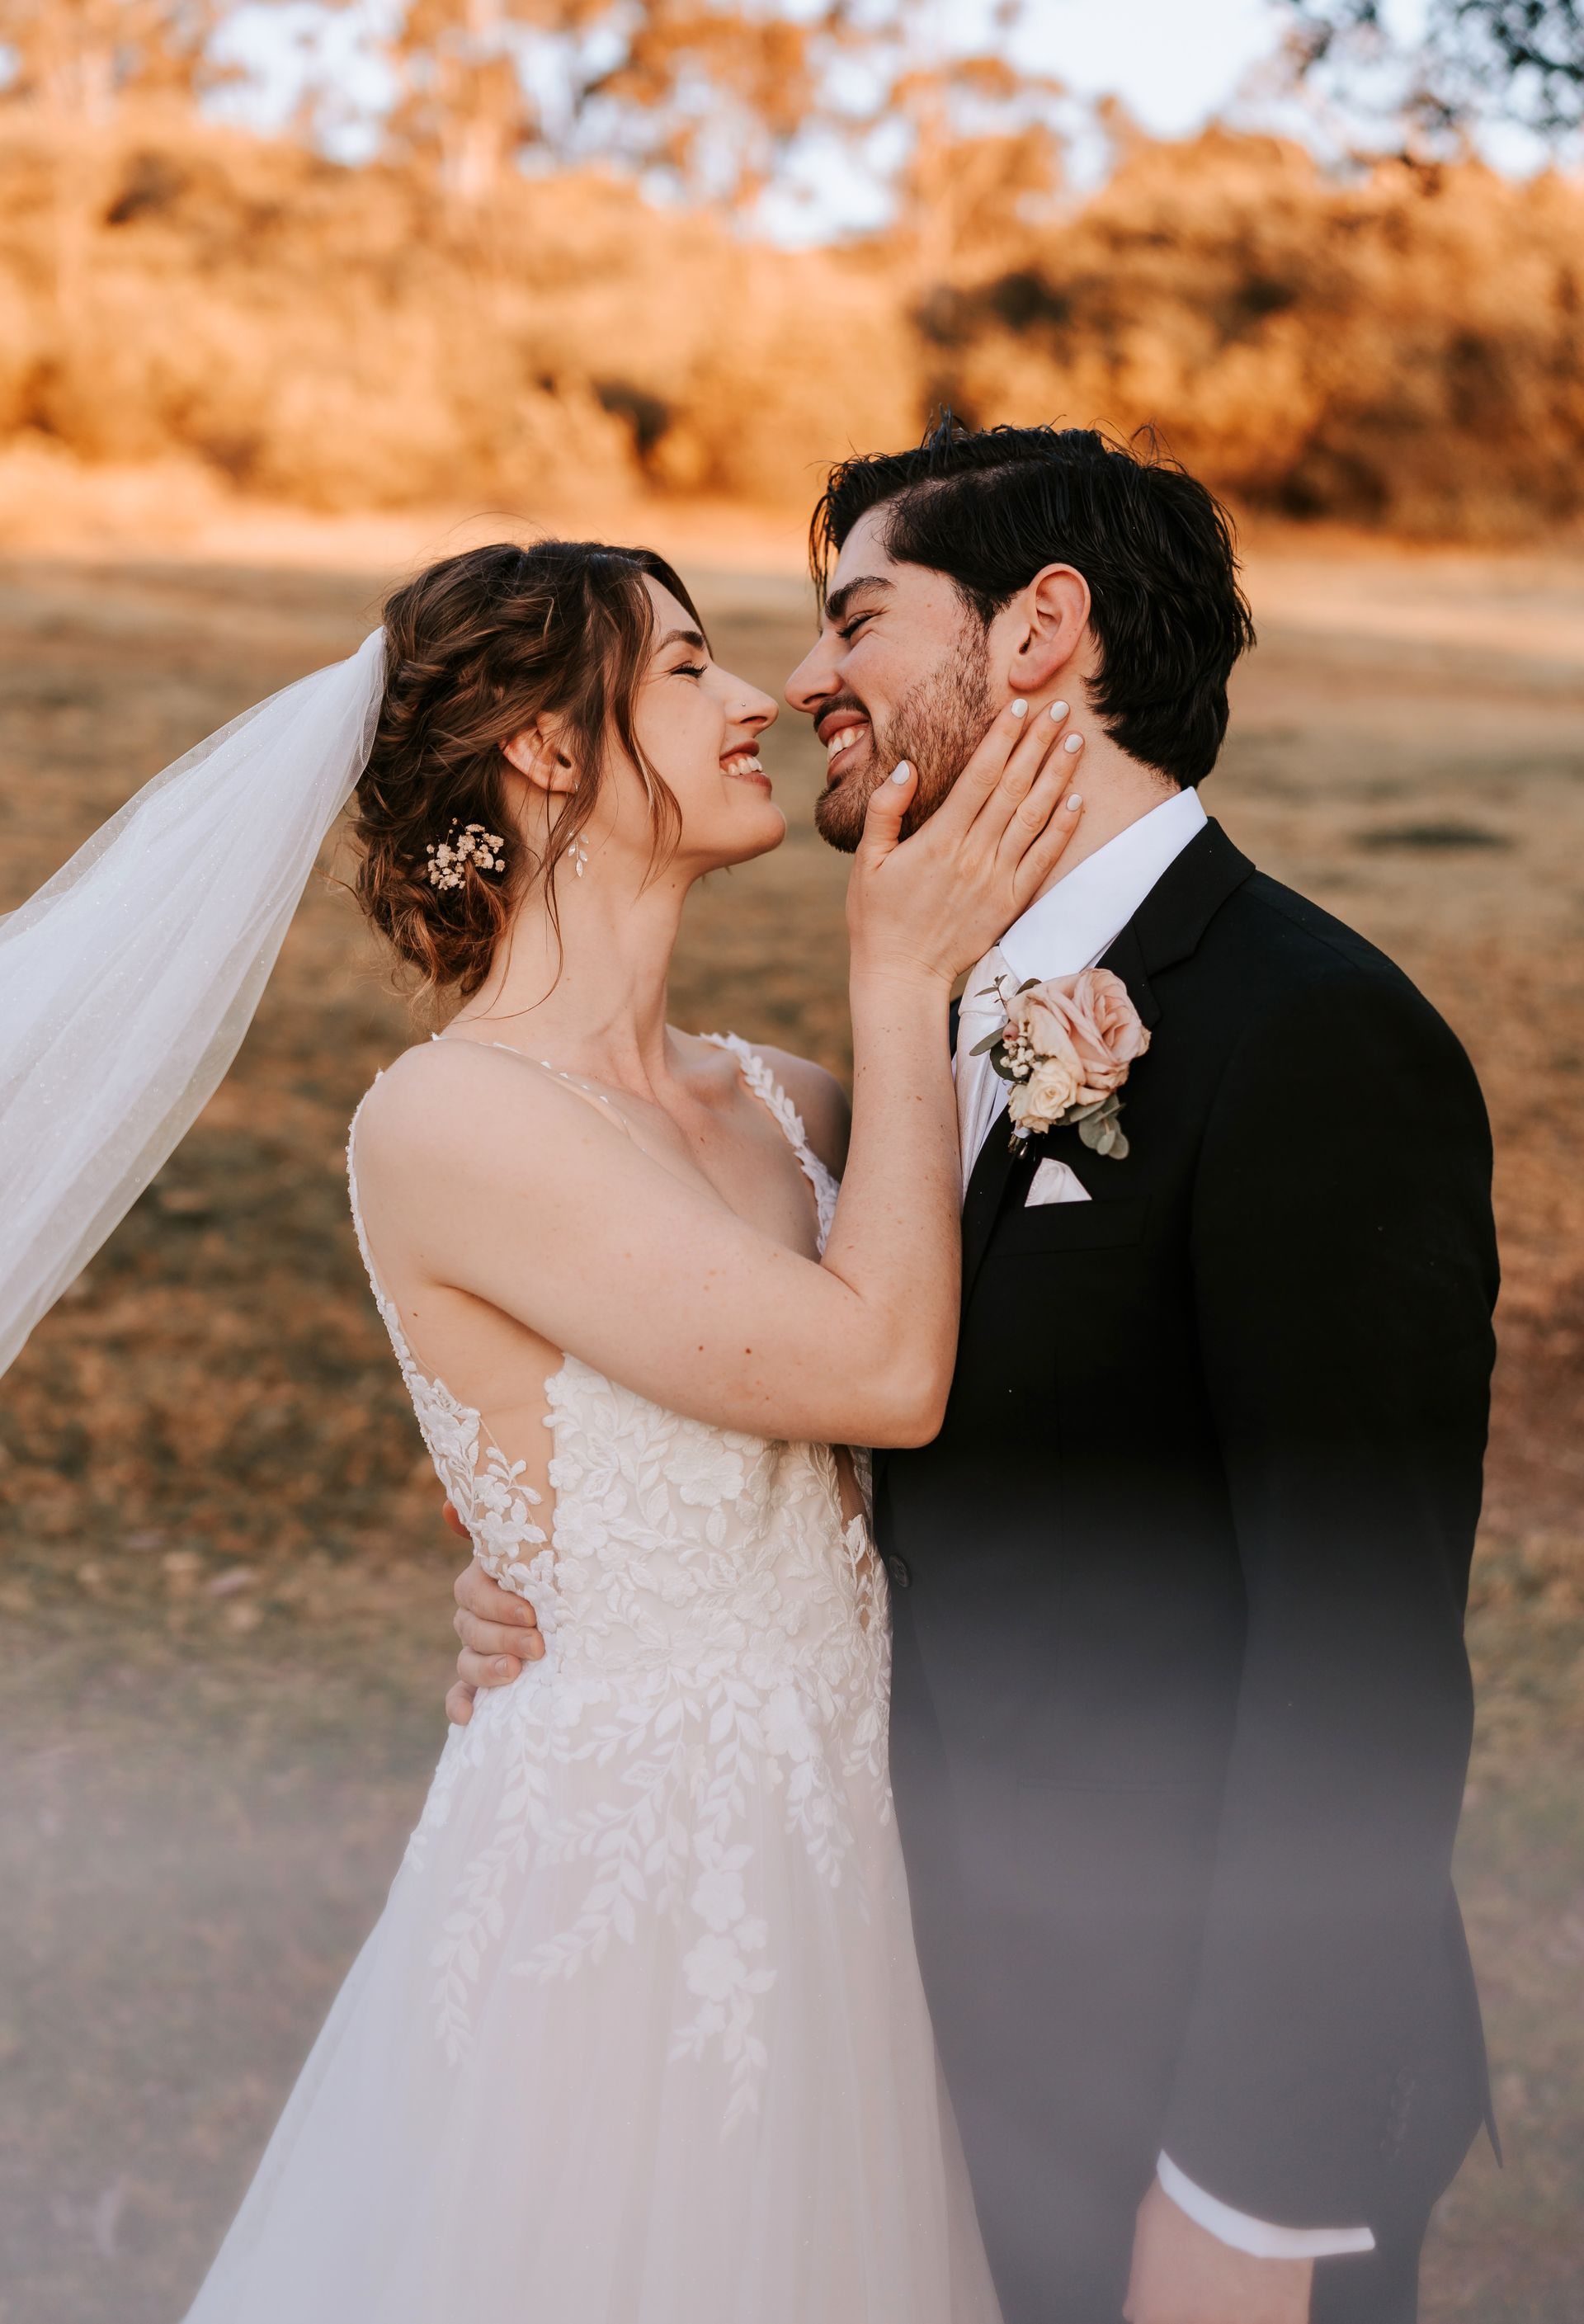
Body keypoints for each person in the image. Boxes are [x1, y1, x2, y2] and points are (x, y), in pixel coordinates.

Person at [450, 425, 1500, 2324]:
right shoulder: (946, 1041)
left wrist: (1253, 2188)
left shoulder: (1314, 1036)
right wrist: (566, 1563)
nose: (813, 682)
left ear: (1041, 631)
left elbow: (1362, 1661)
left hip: (1193, 2086)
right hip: (931, 2031)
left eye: (857, 617)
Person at [2, 532, 1095, 2321]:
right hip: (637, 1890)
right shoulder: (447, 1122)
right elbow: (882, 1372)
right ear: (546, 748)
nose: (758, 701)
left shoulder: (789, 1098)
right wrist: (902, 981)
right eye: (684, 667)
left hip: (860, 1861)